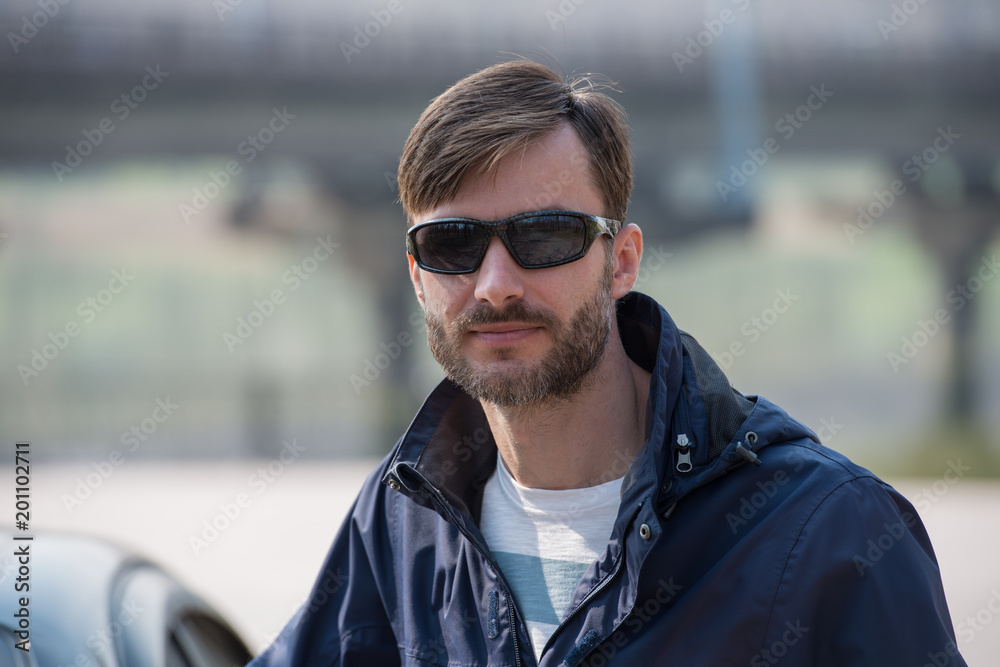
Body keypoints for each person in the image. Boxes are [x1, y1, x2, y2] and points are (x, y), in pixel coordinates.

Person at [249, 60, 966, 666]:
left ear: (621, 262)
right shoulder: (404, 518)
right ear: (416, 276)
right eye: (452, 246)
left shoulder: (835, 534)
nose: (495, 283)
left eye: (546, 234)